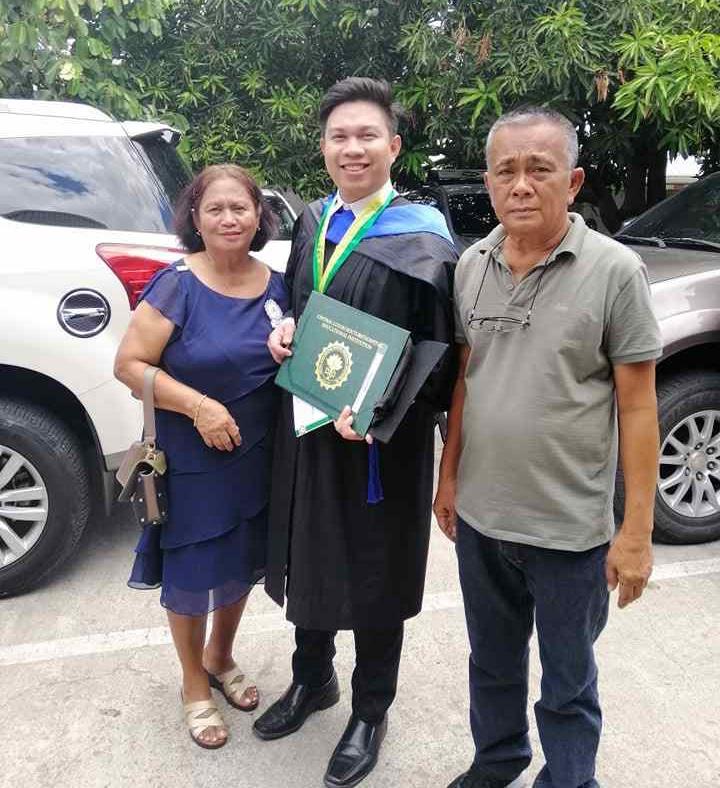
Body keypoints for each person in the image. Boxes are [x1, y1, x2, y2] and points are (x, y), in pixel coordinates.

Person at [434, 106, 662, 788]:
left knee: (567, 682)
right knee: (492, 663)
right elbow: (467, 382)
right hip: (482, 519)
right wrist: (448, 479)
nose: (522, 185)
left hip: (571, 533)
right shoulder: (470, 266)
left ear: (574, 180)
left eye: (540, 169)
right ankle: (498, 759)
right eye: (506, 171)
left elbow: (639, 404)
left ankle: (569, 779)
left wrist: (637, 532)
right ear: (488, 181)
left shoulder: (615, 271)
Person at [253, 77, 457, 787]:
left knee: (376, 568)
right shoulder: (311, 220)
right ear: (324, 147)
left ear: (393, 145)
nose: (353, 147)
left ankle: (371, 708)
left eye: (367, 134)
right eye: (339, 136)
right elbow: (293, 300)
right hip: (308, 423)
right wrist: (283, 328)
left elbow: (442, 352)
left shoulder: (423, 236)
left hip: (380, 444)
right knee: (306, 550)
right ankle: (314, 680)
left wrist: (377, 413)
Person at [114, 164, 287, 750]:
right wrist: (198, 407)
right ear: (195, 217)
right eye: (215, 208)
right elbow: (129, 365)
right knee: (191, 571)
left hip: (256, 455)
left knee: (240, 561)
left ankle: (220, 654)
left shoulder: (277, 284)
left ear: (258, 216)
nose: (229, 218)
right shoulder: (176, 284)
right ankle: (193, 683)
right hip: (192, 456)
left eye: (240, 207)